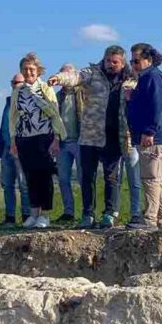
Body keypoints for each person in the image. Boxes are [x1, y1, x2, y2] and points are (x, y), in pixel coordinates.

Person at [48, 46, 136, 229]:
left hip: (114, 135)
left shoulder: (131, 79)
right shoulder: (93, 73)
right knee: (88, 176)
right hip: (90, 135)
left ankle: (109, 213)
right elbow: (75, 76)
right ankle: (88, 214)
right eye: (107, 60)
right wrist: (59, 78)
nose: (110, 64)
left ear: (122, 63)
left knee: (111, 177)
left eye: (115, 62)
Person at [8, 52, 65, 229]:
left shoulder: (45, 88)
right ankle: (33, 214)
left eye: (31, 69)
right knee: (29, 176)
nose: (28, 72)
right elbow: (13, 117)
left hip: (44, 136)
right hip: (24, 138)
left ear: (38, 70)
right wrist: (13, 140)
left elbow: (55, 114)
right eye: (25, 69)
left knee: (44, 176)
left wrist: (56, 139)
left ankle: (45, 214)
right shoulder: (18, 91)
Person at [125, 43, 162, 229]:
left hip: (154, 138)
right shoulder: (149, 77)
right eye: (132, 61)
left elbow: (158, 106)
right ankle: (160, 218)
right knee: (156, 179)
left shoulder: (152, 77)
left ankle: (150, 219)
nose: (133, 65)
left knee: (150, 178)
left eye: (136, 61)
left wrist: (149, 131)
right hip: (153, 136)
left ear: (149, 59)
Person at [0, 74, 31, 224]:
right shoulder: (8, 102)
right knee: (7, 185)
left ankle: (27, 216)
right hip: (6, 149)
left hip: (21, 149)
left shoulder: (28, 101)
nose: (15, 85)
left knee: (24, 184)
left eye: (18, 83)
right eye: (13, 82)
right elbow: (4, 125)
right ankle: (10, 217)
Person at [55, 63, 83, 222]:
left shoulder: (83, 93)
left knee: (82, 178)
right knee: (63, 178)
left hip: (80, 140)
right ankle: (69, 212)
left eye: (67, 74)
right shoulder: (57, 96)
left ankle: (87, 212)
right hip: (63, 143)